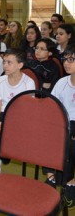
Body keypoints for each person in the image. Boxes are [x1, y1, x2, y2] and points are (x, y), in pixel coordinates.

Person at [47, 45, 75, 208]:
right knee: (47, 135)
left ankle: (70, 182)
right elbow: (52, 106)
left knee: (70, 141)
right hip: (62, 121)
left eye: (71, 59)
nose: (66, 63)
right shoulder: (62, 82)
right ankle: (51, 177)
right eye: (65, 59)